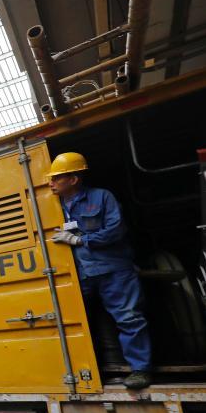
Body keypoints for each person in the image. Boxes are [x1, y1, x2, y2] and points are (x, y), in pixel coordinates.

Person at [47, 152, 152, 389]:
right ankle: (86, 371)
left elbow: (116, 229)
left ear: (73, 179)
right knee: (75, 322)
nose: (51, 183)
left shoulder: (101, 197)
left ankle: (140, 370)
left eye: (57, 178)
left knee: (129, 317)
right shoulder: (52, 205)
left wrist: (81, 240)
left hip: (113, 270)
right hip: (79, 274)